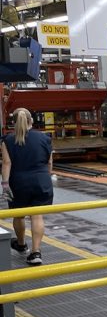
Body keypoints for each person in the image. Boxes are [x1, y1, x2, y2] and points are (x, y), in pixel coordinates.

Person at [1, 108, 54, 266]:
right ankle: (35, 252)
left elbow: (6, 163)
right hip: (41, 180)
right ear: (32, 120)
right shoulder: (45, 137)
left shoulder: (8, 140)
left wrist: (5, 185)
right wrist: (46, 177)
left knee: (18, 215)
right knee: (37, 215)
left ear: (13, 122)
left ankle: (21, 244)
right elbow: (49, 162)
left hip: (18, 183)